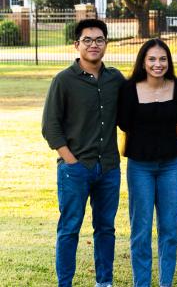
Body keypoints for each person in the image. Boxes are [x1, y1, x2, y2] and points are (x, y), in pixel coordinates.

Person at [42, 19, 125, 287]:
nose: (93, 45)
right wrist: (71, 162)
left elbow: (131, 116)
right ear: (76, 45)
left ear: (106, 44)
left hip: (109, 168)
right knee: (69, 229)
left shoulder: (115, 79)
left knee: (106, 230)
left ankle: (104, 282)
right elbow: (50, 126)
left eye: (99, 40)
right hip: (75, 169)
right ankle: (64, 283)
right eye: (87, 40)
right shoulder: (64, 80)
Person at [117, 39, 177, 287]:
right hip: (140, 167)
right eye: (151, 59)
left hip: (171, 165)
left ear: (168, 62)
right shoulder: (129, 89)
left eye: (162, 59)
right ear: (143, 61)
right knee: (140, 230)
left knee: (169, 230)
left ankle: (166, 283)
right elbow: (124, 124)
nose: (157, 64)